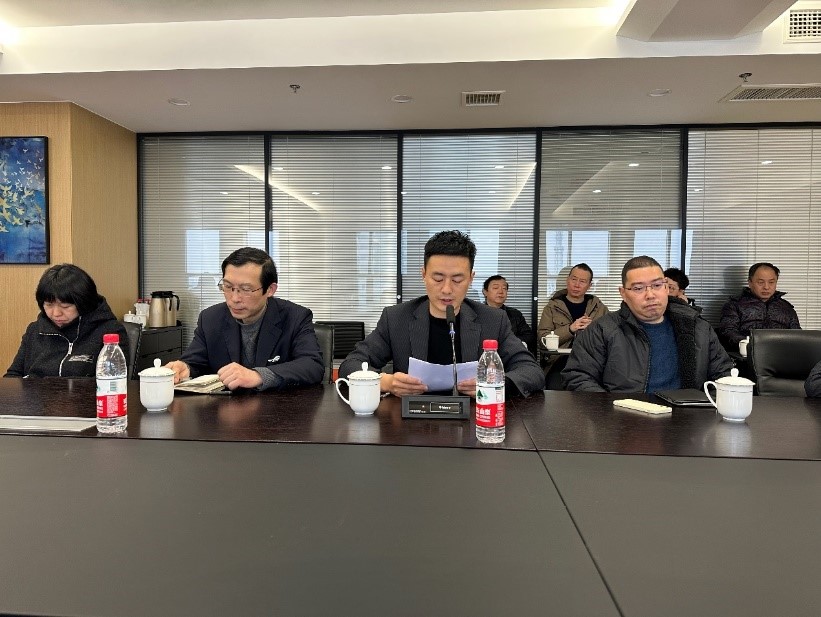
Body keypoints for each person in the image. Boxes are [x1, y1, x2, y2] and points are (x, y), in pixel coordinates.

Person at [338, 230, 544, 398]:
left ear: (471, 278)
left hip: (474, 422)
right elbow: (350, 365)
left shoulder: (493, 320)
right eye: (437, 279)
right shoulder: (396, 318)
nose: (446, 289)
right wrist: (386, 382)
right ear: (423, 275)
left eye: (457, 280)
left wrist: (496, 384)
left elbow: (532, 371)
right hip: (411, 422)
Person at [563, 255, 732, 393]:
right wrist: (611, 411)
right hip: (622, 419)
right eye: (638, 288)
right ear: (623, 293)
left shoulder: (698, 329)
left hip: (686, 419)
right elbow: (578, 377)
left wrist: (703, 412)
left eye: (657, 285)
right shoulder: (602, 330)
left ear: (666, 288)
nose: (650, 295)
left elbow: (725, 378)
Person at [166, 247, 324, 391]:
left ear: (270, 290)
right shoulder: (210, 319)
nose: (234, 298)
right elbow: (195, 362)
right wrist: (184, 367)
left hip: (278, 409)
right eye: (228, 287)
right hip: (225, 410)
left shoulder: (295, 317)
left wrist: (259, 375)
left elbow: (312, 365)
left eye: (246, 289)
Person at [5, 264, 127, 378]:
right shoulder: (35, 330)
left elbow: (114, 381)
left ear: (83, 303)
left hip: (85, 395)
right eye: (49, 305)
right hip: (35, 394)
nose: (56, 313)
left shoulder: (110, 331)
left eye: (65, 306)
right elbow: (13, 376)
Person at [718, 262, 800, 349]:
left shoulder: (786, 307)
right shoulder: (734, 306)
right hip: (748, 353)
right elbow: (728, 332)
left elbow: (798, 336)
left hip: (781, 353)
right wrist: (752, 345)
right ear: (750, 282)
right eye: (761, 282)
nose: (766, 287)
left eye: (771, 282)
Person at [537, 263, 609, 357]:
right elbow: (542, 340)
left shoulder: (599, 308)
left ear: (589, 285)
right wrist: (570, 329)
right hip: (560, 360)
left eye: (582, 281)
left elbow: (611, 338)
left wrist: (593, 329)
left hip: (591, 360)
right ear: (567, 280)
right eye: (574, 279)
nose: (577, 285)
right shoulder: (552, 307)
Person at [482, 275, 534, 352]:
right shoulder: (476, 313)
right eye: (495, 288)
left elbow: (528, 336)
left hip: (510, 354)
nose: (500, 292)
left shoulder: (515, 314)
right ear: (485, 292)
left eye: (504, 288)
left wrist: (508, 342)